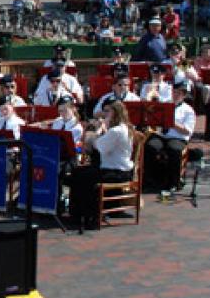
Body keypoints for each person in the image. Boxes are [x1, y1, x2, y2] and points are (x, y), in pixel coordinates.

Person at [65, 99, 134, 230]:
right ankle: (78, 213)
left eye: (107, 111)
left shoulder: (117, 131)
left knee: (84, 177)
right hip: (114, 167)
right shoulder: (120, 128)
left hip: (117, 171)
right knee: (78, 172)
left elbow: (99, 146)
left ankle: (89, 215)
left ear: (115, 113)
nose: (104, 114)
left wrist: (97, 132)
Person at [144, 81, 195, 191]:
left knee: (174, 150)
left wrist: (172, 123)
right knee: (150, 146)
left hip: (178, 137)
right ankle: (149, 180)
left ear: (184, 95)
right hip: (162, 135)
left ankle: (173, 182)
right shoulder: (165, 104)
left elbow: (187, 131)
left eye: (179, 93)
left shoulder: (188, 110)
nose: (176, 95)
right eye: (174, 92)